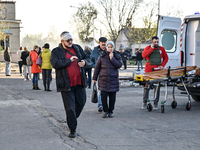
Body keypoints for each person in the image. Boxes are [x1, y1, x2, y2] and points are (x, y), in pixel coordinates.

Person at [50, 31, 90, 138]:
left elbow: (88, 58)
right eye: (68, 40)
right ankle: (73, 129)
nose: (70, 42)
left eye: (71, 39)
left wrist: (84, 63)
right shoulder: (56, 51)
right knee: (70, 108)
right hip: (66, 85)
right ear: (62, 41)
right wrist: (69, 60)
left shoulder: (77, 48)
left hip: (79, 82)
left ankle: (71, 118)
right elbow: (55, 64)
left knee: (81, 102)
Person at [93, 41, 122, 118]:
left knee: (112, 98)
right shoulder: (102, 56)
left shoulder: (117, 55)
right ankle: (105, 111)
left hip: (113, 80)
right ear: (106, 47)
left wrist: (112, 59)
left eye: (111, 47)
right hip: (103, 80)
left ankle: (110, 111)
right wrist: (94, 78)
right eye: (108, 47)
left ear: (113, 48)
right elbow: (97, 68)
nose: (110, 48)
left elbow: (119, 65)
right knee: (103, 97)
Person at [141, 36, 169, 110]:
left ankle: (155, 103)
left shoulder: (161, 49)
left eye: (157, 42)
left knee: (157, 87)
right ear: (152, 42)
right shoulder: (147, 48)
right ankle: (144, 102)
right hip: (149, 71)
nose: (156, 43)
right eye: (154, 42)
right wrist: (151, 48)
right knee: (146, 87)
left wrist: (162, 65)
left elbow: (166, 58)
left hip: (157, 70)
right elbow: (144, 55)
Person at [90, 37, 107, 113]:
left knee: (108, 90)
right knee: (101, 89)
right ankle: (100, 105)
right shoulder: (95, 51)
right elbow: (91, 61)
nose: (103, 43)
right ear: (99, 43)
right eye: (102, 42)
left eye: (105, 42)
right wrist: (95, 66)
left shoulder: (109, 50)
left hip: (108, 73)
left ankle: (105, 105)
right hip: (99, 73)